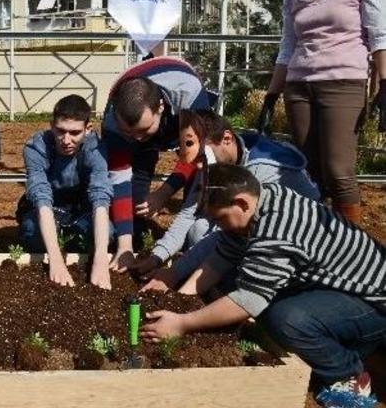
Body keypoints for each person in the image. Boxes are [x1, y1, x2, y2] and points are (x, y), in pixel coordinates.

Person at [140, 164, 385, 408]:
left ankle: (346, 374)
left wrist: (183, 323)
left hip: (374, 301)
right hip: (337, 286)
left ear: (242, 203)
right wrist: (181, 301)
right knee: (238, 282)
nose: (219, 226)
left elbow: (249, 300)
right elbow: (220, 259)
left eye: (220, 218)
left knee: (285, 319)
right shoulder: (260, 201)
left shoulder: (278, 229)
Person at [257, 0, 386, 224]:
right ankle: (318, 237)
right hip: (298, 88)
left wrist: (384, 82)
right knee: (309, 169)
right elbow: (287, 48)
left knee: (339, 170)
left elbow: (380, 35)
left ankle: (354, 248)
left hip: (343, 83)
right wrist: (272, 94)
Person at [134, 110, 320, 288]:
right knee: (199, 229)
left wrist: (175, 272)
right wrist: (156, 257)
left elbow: (227, 236)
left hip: (292, 243)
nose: (198, 167)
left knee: (205, 236)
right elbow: (189, 213)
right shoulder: (213, 161)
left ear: (227, 139)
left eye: (202, 156)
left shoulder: (261, 171)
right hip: (246, 234)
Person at [101, 57, 216, 270]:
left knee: (198, 180)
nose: (136, 138)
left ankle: (190, 245)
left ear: (160, 108)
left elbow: (196, 153)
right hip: (143, 116)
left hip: (180, 111)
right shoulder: (113, 123)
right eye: (130, 132)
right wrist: (125, 245)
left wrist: (164, 193)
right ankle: (136, 236)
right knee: (135, 191)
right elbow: (119, 179)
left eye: (144, 130)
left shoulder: (189, 95)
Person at [18, 95, 114, 288]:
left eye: (75, 133)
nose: (66, 140)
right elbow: (42, 199)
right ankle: (57, 245)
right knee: (30, 231)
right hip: (47, 210)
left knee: (108, 233)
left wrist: (100, 261)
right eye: (61, 131)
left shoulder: (95, 150)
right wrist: (56, 260)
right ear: (52, 125)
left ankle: (71, 245)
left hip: (81, 210)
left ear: (87, 129)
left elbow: (100, 199)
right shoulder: (37, 148)